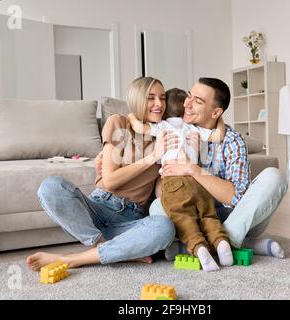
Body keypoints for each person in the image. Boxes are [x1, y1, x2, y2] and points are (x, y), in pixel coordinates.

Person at [26, 77, 178, 271]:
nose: (159, 104)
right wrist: (152, 157)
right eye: (151, 98)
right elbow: (111, 181)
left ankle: (73, 259)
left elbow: (159, 186)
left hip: (130, 218)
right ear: (137, 100)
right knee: (51, 186)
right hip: (98, 207)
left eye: (163, 98)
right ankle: (113, 249)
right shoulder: (119, 123)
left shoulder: (166, 135)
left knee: (164, 228)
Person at [149, 78, 288, 260]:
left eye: (198, 101)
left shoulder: (232, 141)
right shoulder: (174, 132)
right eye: (189, 96)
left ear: (216, 112)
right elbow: (162, 191)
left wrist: (193, 169)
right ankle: (235, 244)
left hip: (234, 216)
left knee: (275, 177)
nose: (187, 104)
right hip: (192, 215)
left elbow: (236, 198)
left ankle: (208, 243)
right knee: (157, 207)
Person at [127, 88, 233, 272]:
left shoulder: (162, 127)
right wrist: (220, 119)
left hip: (173, 180)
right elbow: (219, 135)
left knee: (183, 218)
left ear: (165, 110)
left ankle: (198, 247)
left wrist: (130, 116)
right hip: (197, 179)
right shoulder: (195, 128)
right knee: (207, 214)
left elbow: (138, 127)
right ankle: (221, 242)